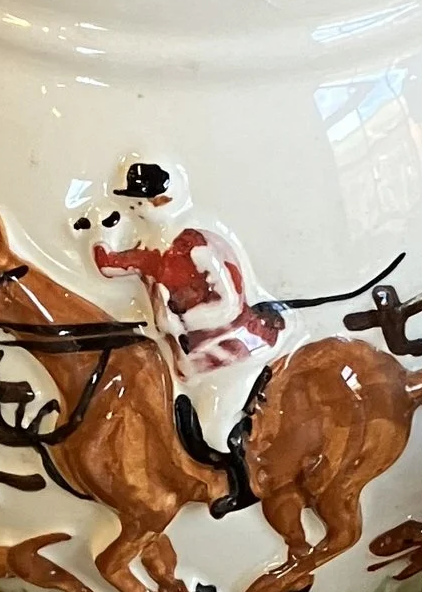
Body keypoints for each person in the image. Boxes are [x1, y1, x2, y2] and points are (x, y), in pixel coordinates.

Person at [73, 160, 283, 452]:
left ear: (164, 201)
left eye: (142, 203)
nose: (136, 210)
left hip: (230, 346)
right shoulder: (149, 253)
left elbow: (229, 304)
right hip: (189, 356)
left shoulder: (196, 247)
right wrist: (99, 231)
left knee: (214, 432)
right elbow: (109, 266)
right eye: (133, 204)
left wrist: (182, 322)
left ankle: (242, 469)